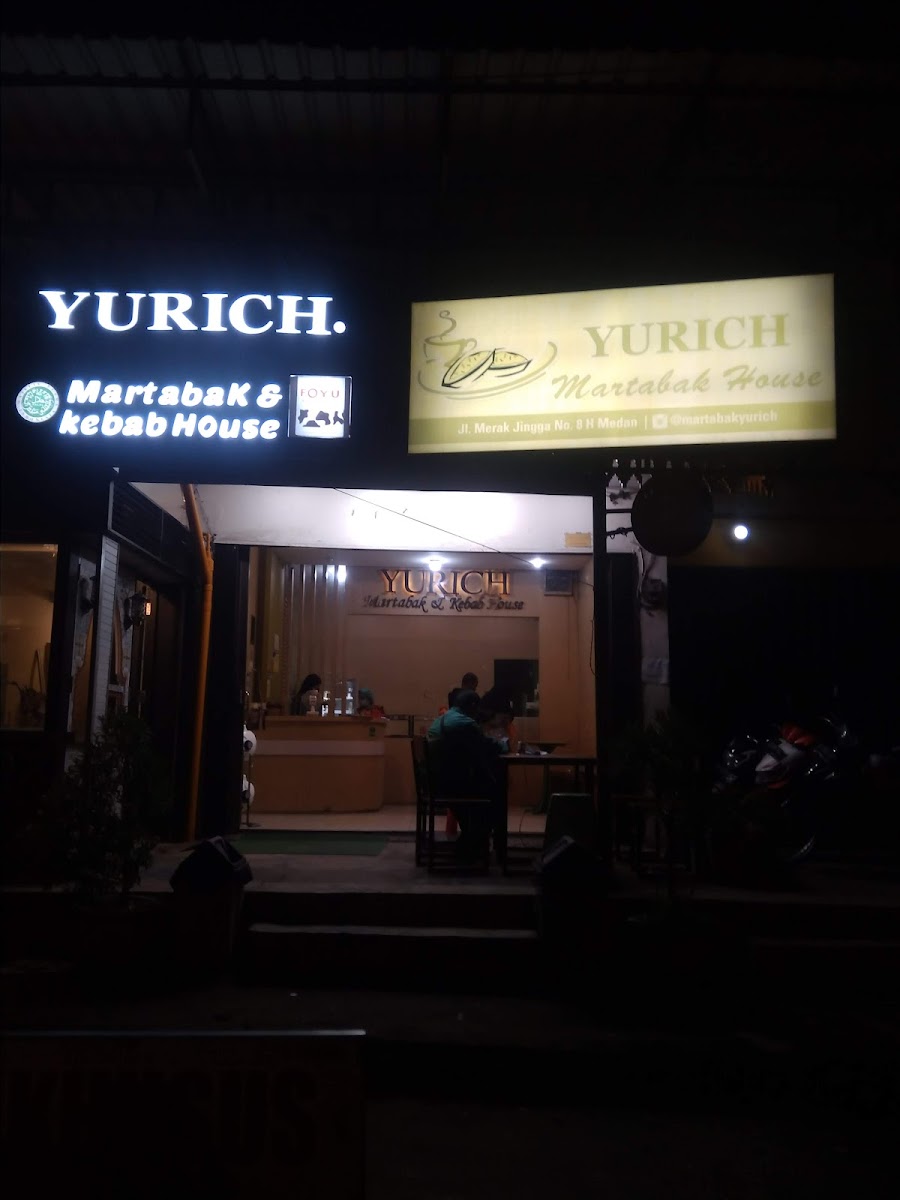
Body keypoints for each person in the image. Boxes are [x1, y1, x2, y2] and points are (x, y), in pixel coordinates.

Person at [427, 689, 503, 861]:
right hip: (453, 786)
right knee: (496, 791)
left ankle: (471, 839)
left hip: (437, 783)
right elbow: (488, 747)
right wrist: (504, 745)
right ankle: (479, 843)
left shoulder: (441, 720)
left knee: (487, 786)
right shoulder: (465, 724)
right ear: (472, 706)